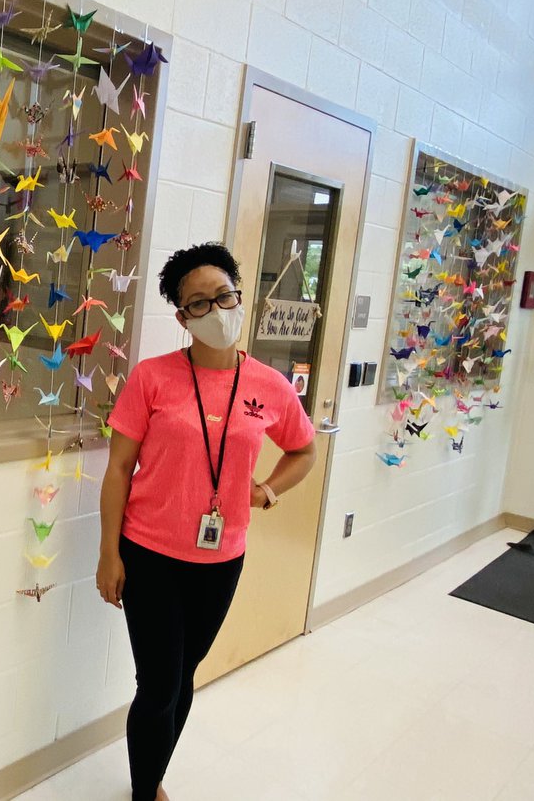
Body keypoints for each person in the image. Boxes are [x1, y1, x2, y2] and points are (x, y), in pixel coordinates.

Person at [96, 242, 317, 801]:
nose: (216, 311)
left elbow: (303, 450)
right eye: (199, 303)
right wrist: (108, 553)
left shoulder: (269, 385)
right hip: (147, 553)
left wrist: (265, 492)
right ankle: (145, 789)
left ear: (240, 298)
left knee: (184, 674)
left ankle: (152, 774)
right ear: (182, 317)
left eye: (224, 296)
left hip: (221, 559)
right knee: (159, 682)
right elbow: (119, 469)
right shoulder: (152, 378)